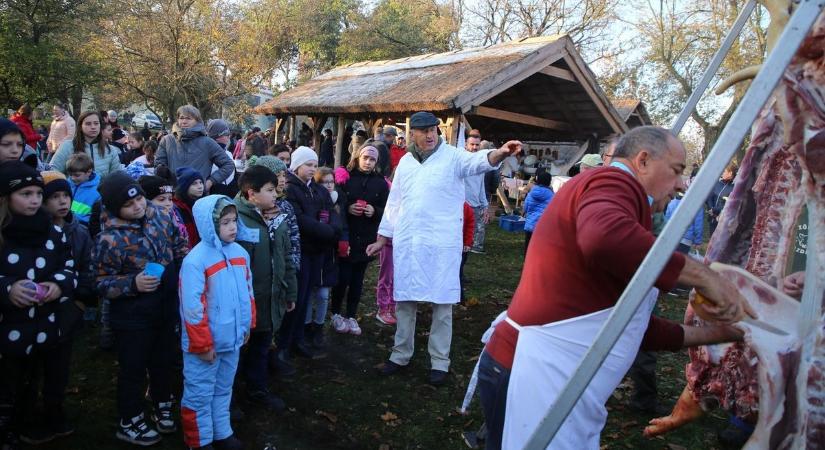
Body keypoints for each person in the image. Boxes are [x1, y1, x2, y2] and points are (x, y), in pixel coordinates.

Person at [478, 126, 754, 450]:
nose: (681, 184)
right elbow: (603, 238)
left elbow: (631, 327)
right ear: (643, 160)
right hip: (534, 375)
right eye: (677, 171)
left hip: (543, 375)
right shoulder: (614, 181)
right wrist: (707, 278)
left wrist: (725, 334)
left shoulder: (622, 200)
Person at [365, 111, 522, 386]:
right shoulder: (406, 164)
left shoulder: (453, 156)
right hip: (410, 241)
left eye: (433, 130)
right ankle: (400, 354)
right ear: (412, 133)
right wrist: (382, 237)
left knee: (442, 304)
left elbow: (478, 161)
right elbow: (394, 202)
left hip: (441, 243)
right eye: (423, 131)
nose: (429, 135)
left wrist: (500, 153)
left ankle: (439, 361)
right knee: (405, 301)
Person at [94, 171, 188, 446]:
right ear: (114, 208)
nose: (137, 207)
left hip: (165, 304)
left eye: (139, 200)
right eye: (128, 204)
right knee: (133, 367)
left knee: (164, 359)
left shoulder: (159, 215)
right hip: (132, 315)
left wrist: (182, 268)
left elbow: (178, 242)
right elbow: (99, 282)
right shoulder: (108, 240)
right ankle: (130, 417)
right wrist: (131, 283)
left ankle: (162, 401)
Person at [0, 162, 76, 449]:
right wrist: (7, 288)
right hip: (9, 329)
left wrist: (57, 285)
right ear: (6, 197)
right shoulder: (3, 234)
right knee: (10, 382)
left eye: (36, 193)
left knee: (42, 376)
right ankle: (8, 426)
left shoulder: (53, 233)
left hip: (48, 323)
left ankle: (39, 417)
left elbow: (68, 266)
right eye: (26, 194)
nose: (34, 200)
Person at [20, 171, 95, 444]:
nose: (62, 202)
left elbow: (88, 267)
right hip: (34, 311)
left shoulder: (80, 233)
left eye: (66, 196)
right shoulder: (28, 232)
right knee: (32, 368)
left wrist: (79, 302)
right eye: (54, 197)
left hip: (67, 310)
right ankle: (27, 416)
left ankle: (54, 410)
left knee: (59, 367)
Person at [179, 195, 256, 450]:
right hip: (205, 346)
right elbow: (192, 308)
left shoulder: (240, 254)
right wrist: (202, 344)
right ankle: (199, 440)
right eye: (225, 222)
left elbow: (248, 293)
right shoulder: (196, 261)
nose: (233, 227)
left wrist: (247, 325)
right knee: (200, 393)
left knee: (224, 389)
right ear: (208, 224)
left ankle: (221, 432)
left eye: (234, 221)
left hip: (231, 339)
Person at [234, 166, 297, 405]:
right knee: (239, 350)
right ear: (252, 194)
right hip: (247, 301)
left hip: (272, 296)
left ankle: (257, 388)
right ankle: (230, 398)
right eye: (270, 190)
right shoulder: (236, 219)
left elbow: (286, 256)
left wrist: (289, 291)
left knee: (262, 345)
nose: (275, 195)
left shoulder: (277, 216)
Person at [276, 147, 342, 372]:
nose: (313, 169)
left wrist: (333, 228)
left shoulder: (316, 189)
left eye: (315, 165)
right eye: (309, 165)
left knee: (306, 299)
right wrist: (325, 231)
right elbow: (299, 218)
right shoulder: (292, 190)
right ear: (297, 166)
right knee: (296, 298)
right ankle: (283, 345)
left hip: (317, 252)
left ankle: (298, 339)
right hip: (301, 250)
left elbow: (331, 211)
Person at [331, 145, 390, 335]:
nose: (368, 162)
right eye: (365, 158)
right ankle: (336, 313)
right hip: (346, 236)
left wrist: (375, 211)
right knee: (342, 277)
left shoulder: (381, 183)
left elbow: (388, 208)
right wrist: (348, 207)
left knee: (358, 279)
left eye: (372, 159)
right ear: (357, 157)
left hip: (366, 237)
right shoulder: (345, 178)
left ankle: (351, 315)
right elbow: (335, 201)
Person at [155, 105, 234, 193]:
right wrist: (160, 170)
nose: (184, 121)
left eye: (188, 118)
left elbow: (228, 165)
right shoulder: (167, 140)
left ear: (197, 121)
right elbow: (158, 165)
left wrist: (210, 182)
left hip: (198, 197)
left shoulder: (208, 142)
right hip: (172, 195)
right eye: (181, 118)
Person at [308, 167, 342, 341]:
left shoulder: (337, 201)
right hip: (314, 252)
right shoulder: (313, 200)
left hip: (330, 254)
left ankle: (319, 326)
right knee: (309, 294)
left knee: (323, 294)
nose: (328, 185)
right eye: (324, 182)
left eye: (331, 181)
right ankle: (307, 326)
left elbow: (340, 225)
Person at [51, 111, 124, 179]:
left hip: (102, 192)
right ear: (80, 126)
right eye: (88, 124)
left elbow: (116, 177)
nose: (93, 127)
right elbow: (53, 172)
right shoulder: (67, 146)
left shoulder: (110, 150)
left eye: (96, 123)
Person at [463, 135, 490, 254]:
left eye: (477, 145)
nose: (474, 147)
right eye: (472, 144)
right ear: (466, 145)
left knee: (478, 227)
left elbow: (481, 187)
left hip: (475, 204)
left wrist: (485, 205)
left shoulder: (480, 164)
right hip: (461, 204)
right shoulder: (460, 161)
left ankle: (475, 246)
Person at [173, 167, 205, 248]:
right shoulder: (177, 208)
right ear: (184, 187)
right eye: (194, 183)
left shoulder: (203, 203)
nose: (200, 186)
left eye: (201, 182)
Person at [66, 153, 101, 226]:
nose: (72, 178)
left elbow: (94, 218)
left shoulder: (97, 192)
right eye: (70, 175)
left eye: (77, 175)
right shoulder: (67, 184)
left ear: (89, 172)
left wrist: (71, 218)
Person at [206, 119, 238, 198]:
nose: (229, 137)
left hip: (229, 194)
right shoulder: (207, 153)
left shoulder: (228, 153)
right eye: (226, 134)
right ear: (217, 137)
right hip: (215, 194)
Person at [522, 171, 554, 253]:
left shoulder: (531, 192)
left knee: (528, 245)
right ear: (549, 181)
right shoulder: (551, 194)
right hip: (543, 226)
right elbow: (553, 208)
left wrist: (524, 213)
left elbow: (526, 206)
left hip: (530, 225)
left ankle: (527, 262)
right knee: (540, 247)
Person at [706, 162, 737, 234]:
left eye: (724, 171)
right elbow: (709, 197)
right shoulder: (717, 183)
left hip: (723, 222)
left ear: (730, 173)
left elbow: (730, 205)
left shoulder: (734, 188)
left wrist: (715, 210)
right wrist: (710, 208)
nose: (722, 172)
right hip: (712, 219)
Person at [459, 201, 475, 302]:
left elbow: (470, 225)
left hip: (461, 247)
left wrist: (467, 243)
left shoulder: (465, 207)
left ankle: (460, 297)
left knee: (458, 272)